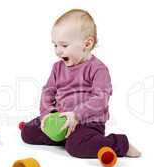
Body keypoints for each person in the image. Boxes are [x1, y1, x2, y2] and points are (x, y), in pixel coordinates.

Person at [20, 9, 141, 158]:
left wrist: (77, 115)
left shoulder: (98, 69)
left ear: (87, 44)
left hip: (87, 122)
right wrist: (47, 114)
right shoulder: (57, 67)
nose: (58, 51)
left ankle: (120, 144)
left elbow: (100, 99)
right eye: (55, 45)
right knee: (28, 132)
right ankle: (64, 137)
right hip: (60, 118)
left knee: (76, 147)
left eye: (64, 45)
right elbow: (48, 91)